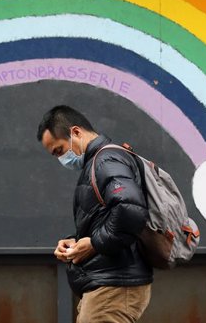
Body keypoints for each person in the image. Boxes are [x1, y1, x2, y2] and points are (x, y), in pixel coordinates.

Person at [36, 105, 153, 323]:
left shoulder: (106, 161)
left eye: (59, 151)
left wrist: (94, 244)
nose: (61, 159)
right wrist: (76, 242)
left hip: (113, 287)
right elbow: (110, 216)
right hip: (110, 284)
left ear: (76, 133)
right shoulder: (99, 162)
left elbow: (130, 209)